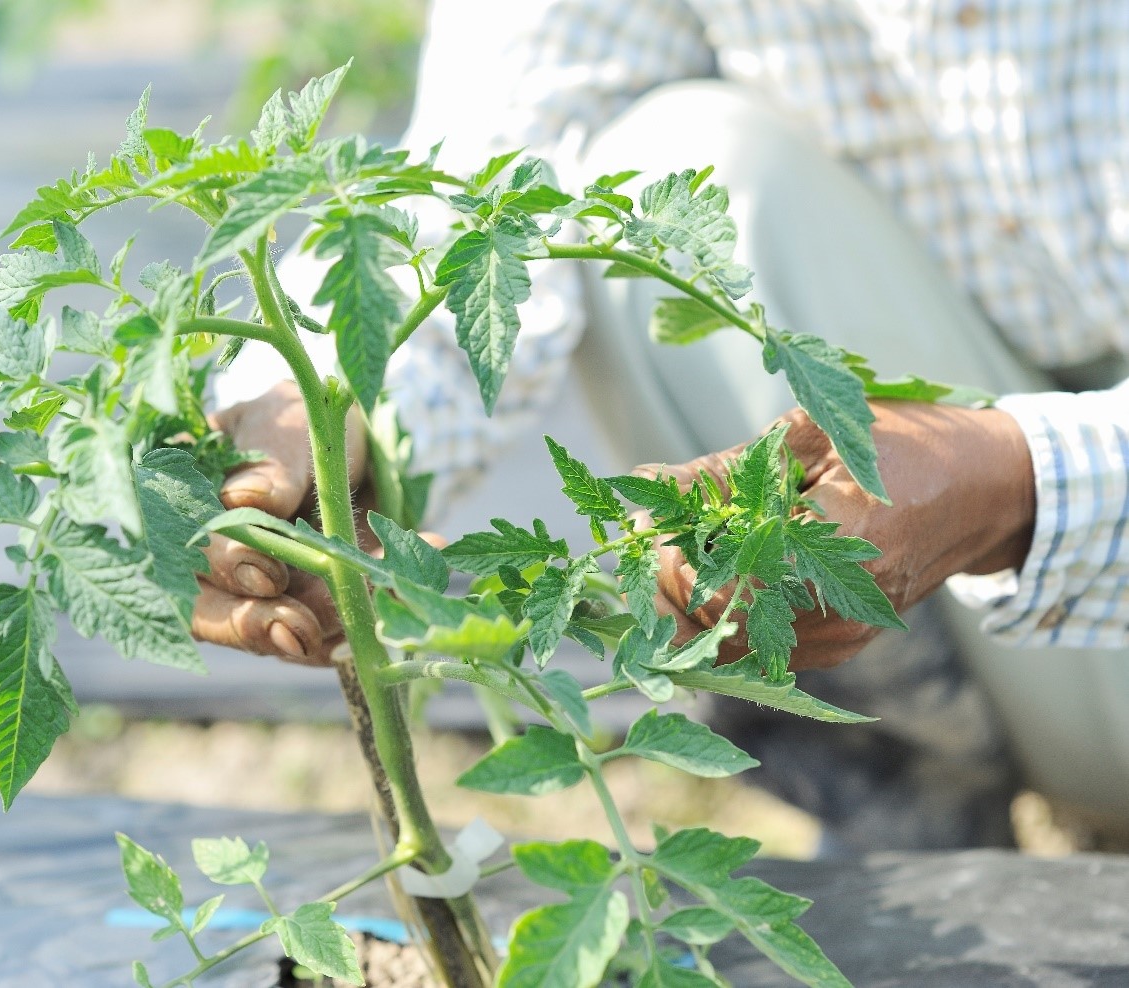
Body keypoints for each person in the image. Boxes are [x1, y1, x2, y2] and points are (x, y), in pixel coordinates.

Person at [190, 0, 1129, 852]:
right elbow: (491, 171)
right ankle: (909, 829)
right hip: (1040, 641)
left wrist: (1015, 483)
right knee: (677, 159)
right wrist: (325, 414)